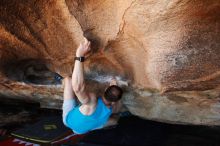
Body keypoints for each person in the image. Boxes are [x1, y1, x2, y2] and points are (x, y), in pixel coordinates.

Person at [62, 37, 123, 134]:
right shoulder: (115, 107)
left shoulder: (92, 101)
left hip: (70, 122)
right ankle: (92, 125)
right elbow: (116, 103)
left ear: (106, 88)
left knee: (68, 80)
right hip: (83, 130)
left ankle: (90, 123)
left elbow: (78, 88)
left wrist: (79, 56)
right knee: (114, 121)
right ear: (116, 100)